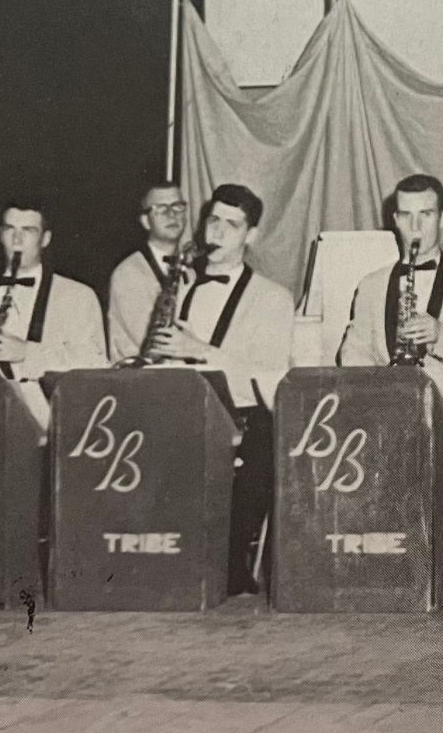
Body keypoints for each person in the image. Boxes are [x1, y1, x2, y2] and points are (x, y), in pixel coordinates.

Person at [146, 183, 294, 594]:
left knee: (262, 442)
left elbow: (271, 374)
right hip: (182, 411)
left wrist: (201, 351)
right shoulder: (178, 287)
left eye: (232, 225)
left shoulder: (273, 298)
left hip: (245, 420)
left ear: (252, 235)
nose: (217, 233)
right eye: (213, 221)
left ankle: (229, 565)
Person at [338, 174, 443, 415]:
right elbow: (353, 352)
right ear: (395, 219)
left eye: (425, 214)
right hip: (386, 412)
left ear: (442, 218)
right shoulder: (371, 285)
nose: (415, 227)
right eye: (406, 215)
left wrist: (442, 336)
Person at [0, 200, 107, 428]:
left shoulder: (78, 296)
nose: (17, 240)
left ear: (45, 239)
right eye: (10, 229)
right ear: (0, 235)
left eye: (28, 231)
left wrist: (27, 352)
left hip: (52, 424)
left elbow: (96, 365)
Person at [106, 181, 192, 363]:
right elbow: (155, 345)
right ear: (146, 221)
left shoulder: (192, 272)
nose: (172, 214)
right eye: (161, 208)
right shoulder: (128, 273)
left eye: (178, 206)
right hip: (140, 381)